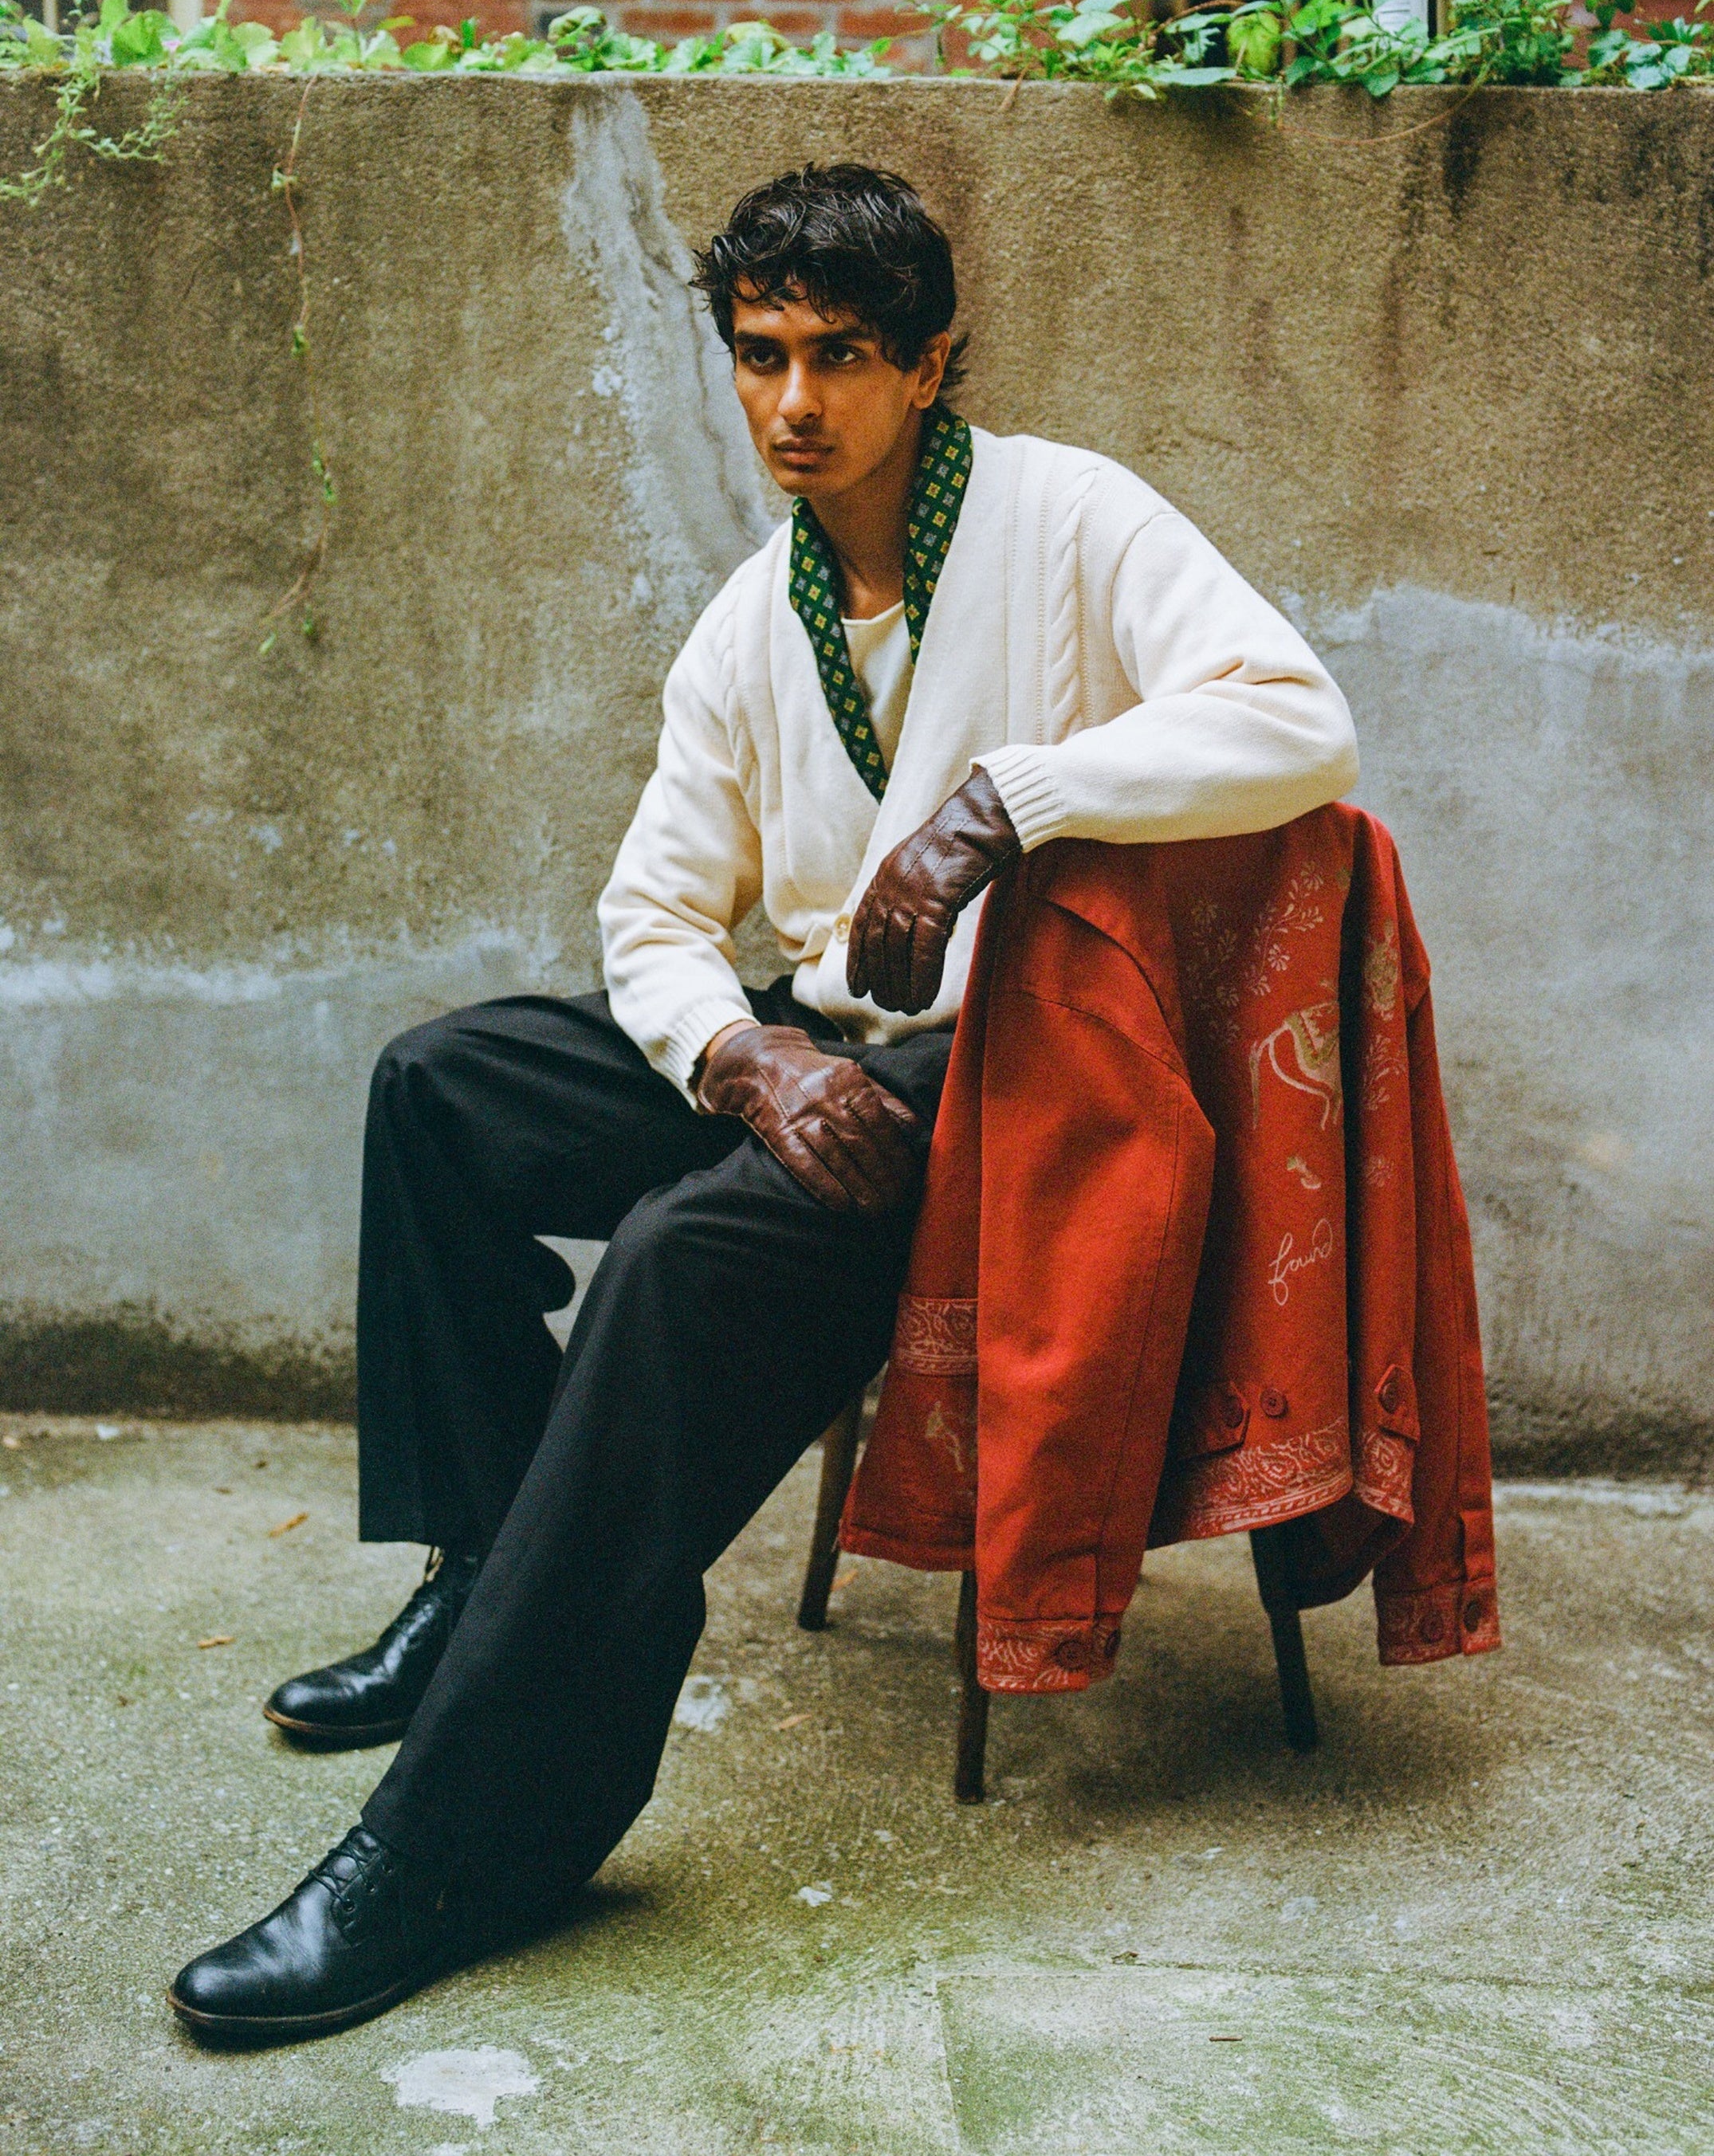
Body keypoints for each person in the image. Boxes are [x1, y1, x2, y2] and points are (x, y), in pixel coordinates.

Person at [168, 163, 1359, 2040]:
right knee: (445, 1090)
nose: (794, 402)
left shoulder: (1068, 519)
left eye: (843, 356)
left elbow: (1300, 718)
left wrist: (1002, 807)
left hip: (1015, 1075)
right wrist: (744, 1060)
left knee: (673, 1259)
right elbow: (652, 915)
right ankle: (485, 1570)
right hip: (819, 1053)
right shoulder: (751, 621)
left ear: (930, 362)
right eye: (760, 354)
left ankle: (469, 1845)